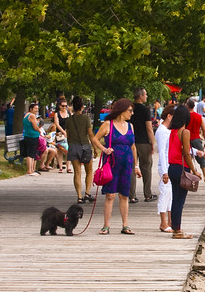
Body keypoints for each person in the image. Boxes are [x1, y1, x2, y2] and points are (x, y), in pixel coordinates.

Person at [92, 98, 141, 234]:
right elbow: (95, 139)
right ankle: (106, 225)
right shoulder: (108, 124)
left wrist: (136, 166)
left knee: (125, 194)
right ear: (122, 110)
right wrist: (104, 148)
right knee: (110, 194)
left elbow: (133, 146)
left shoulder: (130, 126)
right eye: (130, 110)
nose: (132, 113)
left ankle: (125, 225)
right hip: (112, 162)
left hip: (127, 163)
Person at [166, 105, 200, 239]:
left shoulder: (173, 131)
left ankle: (176, 228)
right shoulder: (184, 132)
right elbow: (186, 153)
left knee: (176, 199)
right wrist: (194, 170)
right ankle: (177, 231)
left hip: (172, 167)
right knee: (180, 200)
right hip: (181, 168)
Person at [64, 96, 96, 202]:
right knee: (89, 171)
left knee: (77, 172)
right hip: (85, 146)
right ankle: (87, 193)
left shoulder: (69, 120)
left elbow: (68, 135)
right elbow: (90, 134)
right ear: (82, 107)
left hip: (73, 146)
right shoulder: (86, 118)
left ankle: (79, 196)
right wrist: (95, 148)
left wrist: (69, 146)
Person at [129, 88, 156, 203]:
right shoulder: (145, 110)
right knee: (146, 168)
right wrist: (153, 142)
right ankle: (147, 194)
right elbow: (149, 128)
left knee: (132, 168)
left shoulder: (129, 109)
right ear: (140, 96)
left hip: (131, 142)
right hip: (144, 141)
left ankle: (132, 195)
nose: (146, 96)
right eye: (145, 94)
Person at [155, 105, 175, 232]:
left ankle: (170, 220)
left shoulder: (167, 130)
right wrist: (165, 171)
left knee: (170, 194)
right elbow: (161, 152)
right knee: (165, 192)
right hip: (165, 166)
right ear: (169, 116)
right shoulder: (162, 131)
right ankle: (163, 222)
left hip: (169, 164)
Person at [186, 97, 205, 184]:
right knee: (202, 157)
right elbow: (204, 131)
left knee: (188, 158)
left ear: (187, 106)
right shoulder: (199, 117)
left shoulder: (185, 116)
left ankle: (190, 176)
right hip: (196, 139)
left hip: (186, 139)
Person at [22, 102, 41, 176]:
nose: (36, 110)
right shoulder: (32, 116)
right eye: (35, 108)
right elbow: (35, 127)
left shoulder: (26, 115)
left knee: (32, 153)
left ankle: (32, 169)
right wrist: (40, 132)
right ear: (31, 109)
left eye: (37, 109)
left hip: (27, 135)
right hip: (32, 136)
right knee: (31, 154)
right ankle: (29, 170)